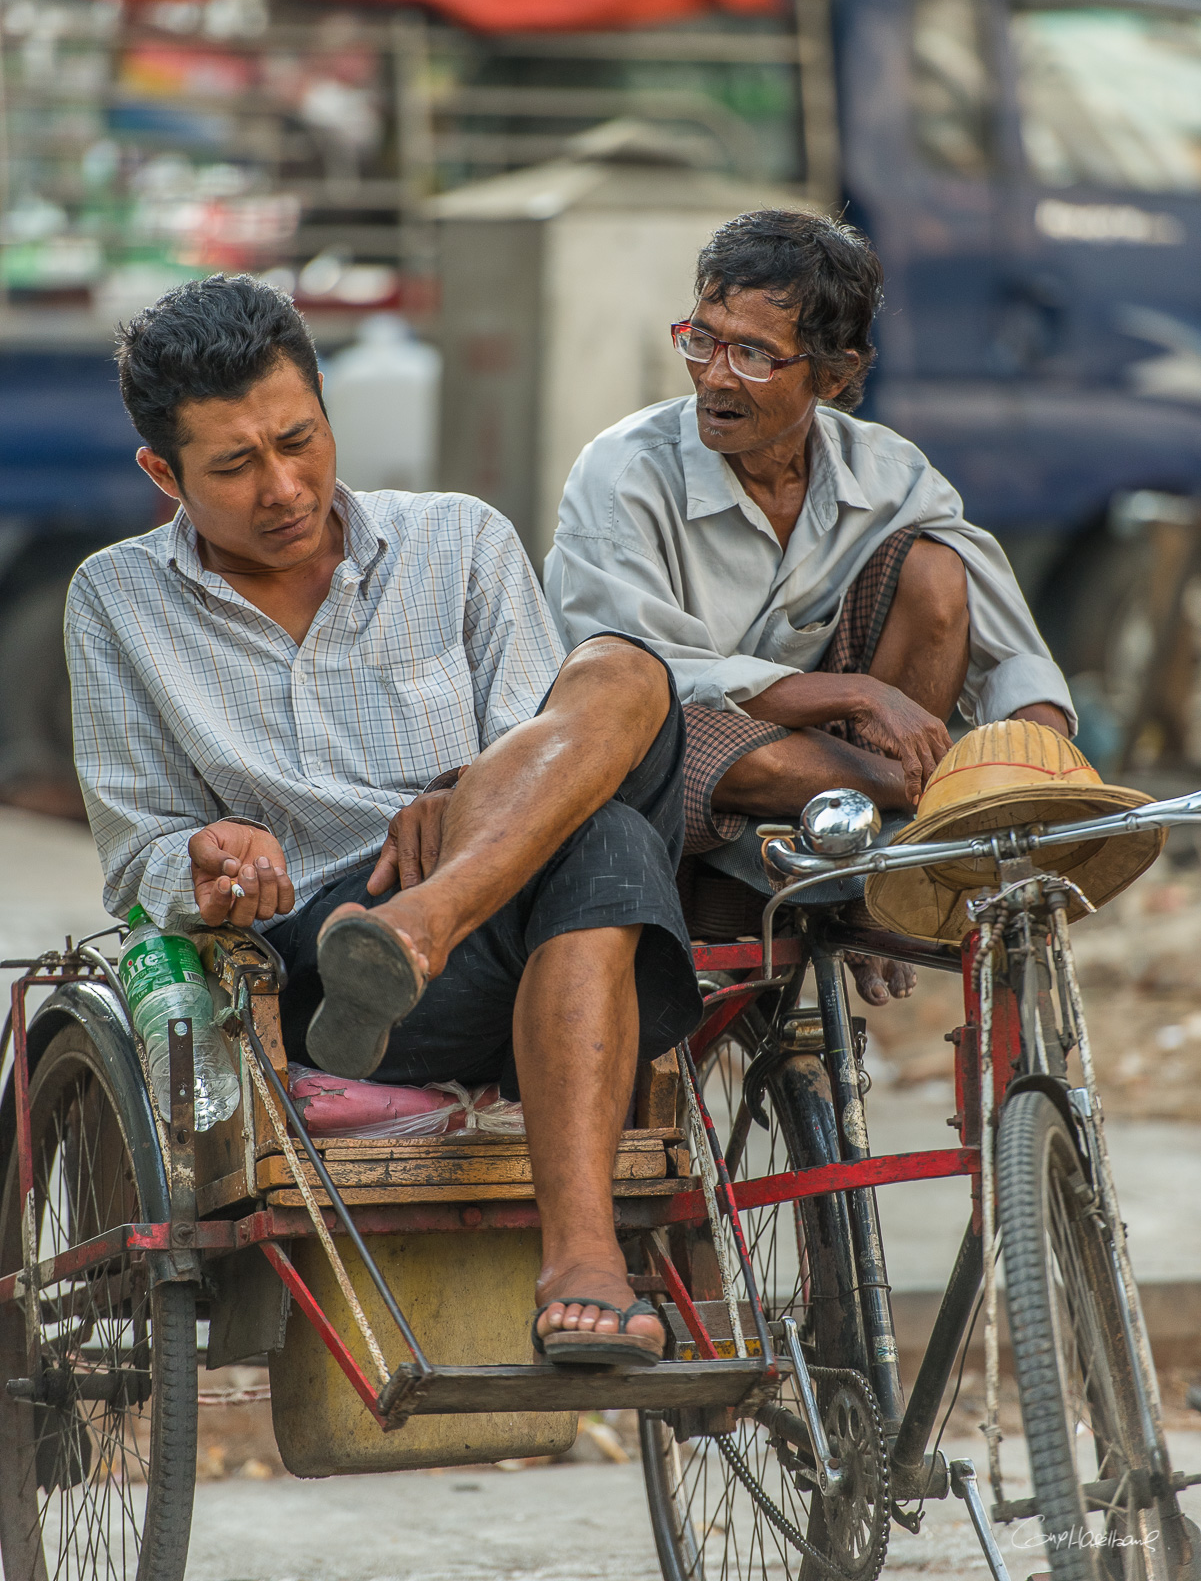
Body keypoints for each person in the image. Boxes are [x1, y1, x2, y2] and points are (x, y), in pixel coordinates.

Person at [67, 273, 700, 1369]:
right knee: (610, 845)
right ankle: (585, 1264)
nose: (283, 488)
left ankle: (423, 924)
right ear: (163, 475)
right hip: (337, 982)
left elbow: (549, 757)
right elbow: (139, 856)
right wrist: (204, 856)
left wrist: (460, 796)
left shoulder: (458, 539)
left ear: (326, 410)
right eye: (235, 466)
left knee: (622, 674)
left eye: (298, 441)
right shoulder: (116, 601)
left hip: (515, 915)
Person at [544, 209, 1075, 1001]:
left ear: (832, 374)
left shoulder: (888, 472)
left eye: (754, 355)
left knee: (936, 569)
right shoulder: (623, 471)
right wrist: (858, 696)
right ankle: (920, 811)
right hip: (672, 745)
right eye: (702, 339)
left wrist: (1044, 767)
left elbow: (1013, 657)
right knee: (671, 726)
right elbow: (644, 677)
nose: (715, 377)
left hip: (822, 758)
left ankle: (899, 825)